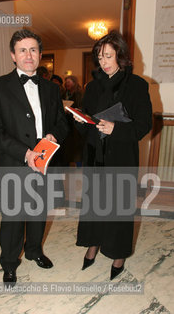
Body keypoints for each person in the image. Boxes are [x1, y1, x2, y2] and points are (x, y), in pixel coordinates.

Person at [0, 29, 69, 286]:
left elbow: (62, 122)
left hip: (44, 164)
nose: (28, 55)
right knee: (12, 218)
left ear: (40, 55)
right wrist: (25, 153)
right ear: (13, 55)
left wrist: (55, 134)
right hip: (14, 163)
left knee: (38, 212)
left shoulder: (53, 89)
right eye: (22, 50)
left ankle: (34, 251)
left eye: (33, 50)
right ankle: (9, 264)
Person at [73, 30, 152, 280]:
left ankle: (118, 254)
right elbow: (86, 121)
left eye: (108, 55)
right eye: (100, 55)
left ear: (120, 55)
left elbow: (144, 124)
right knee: (94, 204)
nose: (103, 61)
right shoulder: (93, 85)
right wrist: (80, 119)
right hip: (95, 155)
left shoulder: (137, 84)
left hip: (121, 156)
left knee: (119, 207)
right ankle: (93, 244)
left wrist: (115, 128)